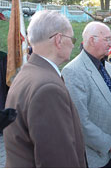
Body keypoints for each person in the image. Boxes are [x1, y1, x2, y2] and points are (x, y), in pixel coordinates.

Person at [3, 10, 87, 167]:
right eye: (72, 39)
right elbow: (57, 160)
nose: (73, 44)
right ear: (58, 40)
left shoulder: (29, 72)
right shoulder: (48, 88)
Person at [62, 21, 111, 168]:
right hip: (93, 157)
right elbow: (79, 121)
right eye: (107, 39)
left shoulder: (110, 68)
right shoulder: (73, 71)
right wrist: (109, 144)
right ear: (92, 40)